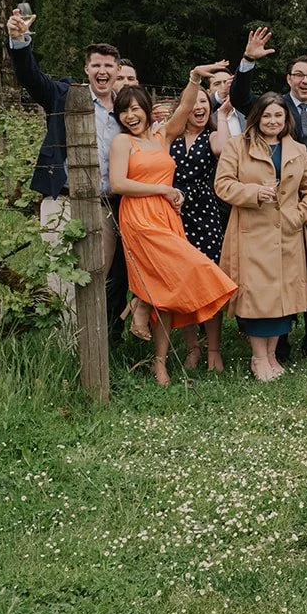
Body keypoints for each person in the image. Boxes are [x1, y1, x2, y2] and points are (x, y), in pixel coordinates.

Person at [229, 28, 307, 365]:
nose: (305, 80)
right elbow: (242, 98)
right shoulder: (275, 108)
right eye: (298, 75)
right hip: (275, 210)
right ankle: (278, 345)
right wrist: (247, 62)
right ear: (289, 78)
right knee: (280, 274)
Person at [109, 71, 239, 385]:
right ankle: (140, 300)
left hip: (167, 216)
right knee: (191, 266)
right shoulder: (122, 142)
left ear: (146, 109)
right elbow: (118, 183)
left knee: (168, 288)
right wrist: (165, 190)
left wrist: (194, 79)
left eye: (136, 109)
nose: (131, 115)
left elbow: (183, 110)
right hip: (140, 217)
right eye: (124, 111)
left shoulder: (161, 137)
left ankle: (159, 359)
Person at [3, 8, 127, 327]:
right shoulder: (63, 95)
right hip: (62, 199)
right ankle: (66, 348)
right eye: (96, 65)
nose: (102, 71)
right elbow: (31, 77)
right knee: (62, 279)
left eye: (108, 66)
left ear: (117, 70)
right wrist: (19, 41)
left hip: (106, 205)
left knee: (98, 278)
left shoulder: (127, 110)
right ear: (86, 69)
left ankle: (96, 347)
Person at [214, 93, 307, 381]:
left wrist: (300, 214)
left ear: (287, 119)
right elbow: (222, 184)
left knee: (282, 299)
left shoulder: (297, 149)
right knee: (257, 300)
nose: (273, 121)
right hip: (251, 233)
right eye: (267, 116)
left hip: (287, 233)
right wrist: (252, 193)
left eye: (279, 116)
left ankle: (273, 355)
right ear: (257, 118)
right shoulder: (237, 146)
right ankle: (258, 357)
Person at [168, 79, 230, 371]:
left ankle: (214, 350)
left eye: (204, 102)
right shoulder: (171, 138)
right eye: (193, 103)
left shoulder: (212, 137)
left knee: (209, 282)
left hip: (205, 213)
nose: (199, 107)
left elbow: (226, 152)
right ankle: (192, 348)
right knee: (184, 285)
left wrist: (226, 117)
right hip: (175, 212)